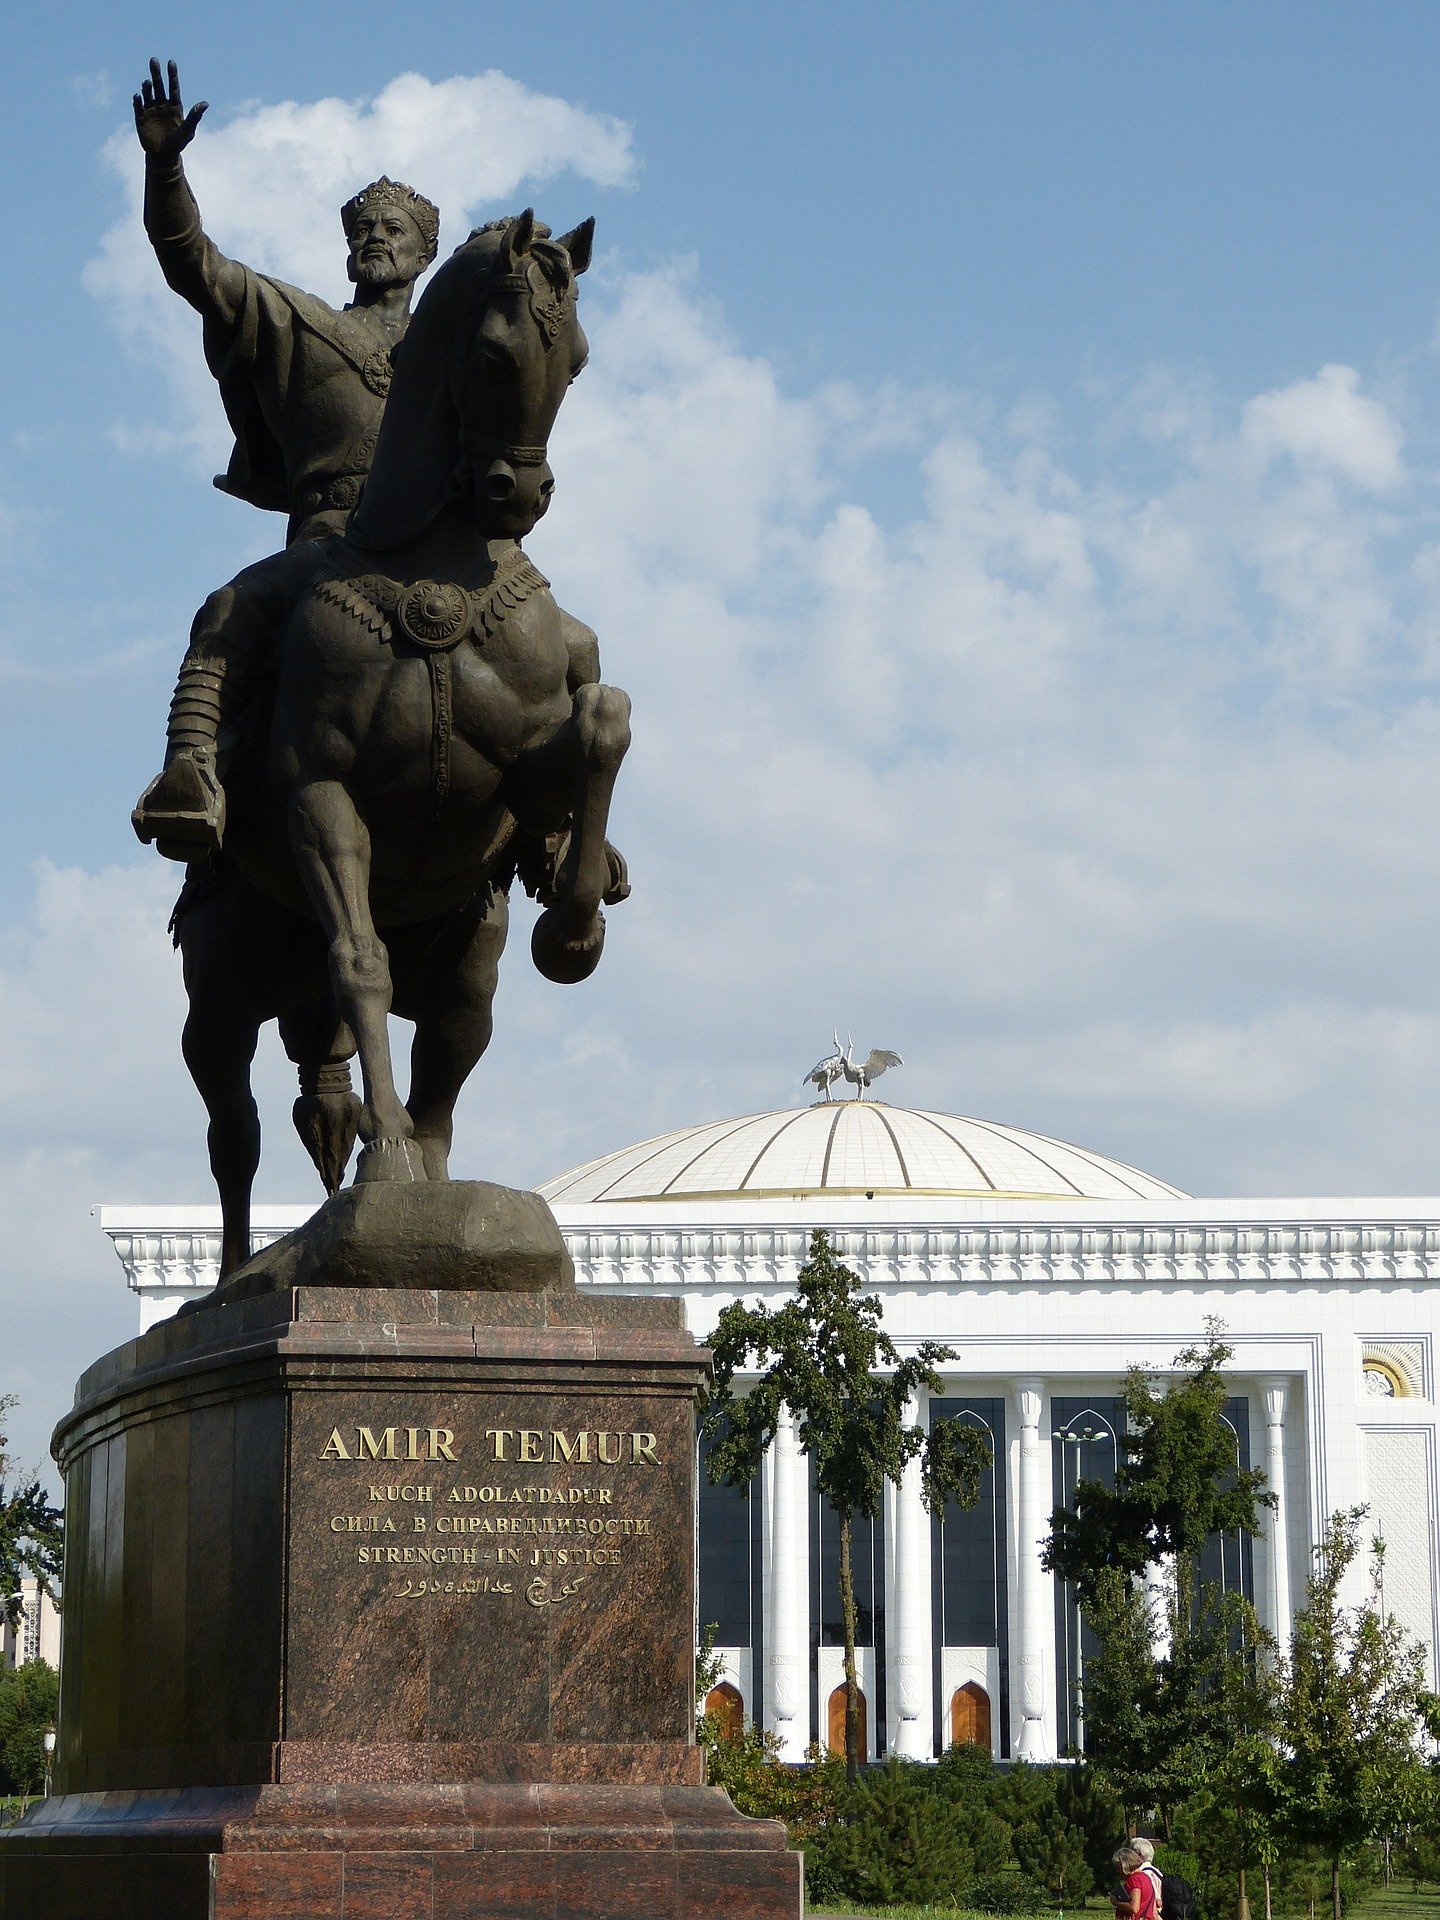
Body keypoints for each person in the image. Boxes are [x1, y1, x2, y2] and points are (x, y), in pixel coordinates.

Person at [127, 59, 441, 860]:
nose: (376, 238)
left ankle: (558, 824)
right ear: (347, 254)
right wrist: (166, 165)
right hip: (330, 539)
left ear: (424, 254)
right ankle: (191, 773)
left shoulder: (453, 351)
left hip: (446, 539)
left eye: (394, 230)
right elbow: (191, 262)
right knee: (227, 612)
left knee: (567, 647)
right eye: (363, 231)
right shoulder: (295, 321)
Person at [1113, 1845, 1158, 1920]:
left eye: (1118, 1867)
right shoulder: (1145, 1877)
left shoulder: (1134, 1880)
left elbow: (1134, 1908)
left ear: (1124, 1865)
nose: (1117, 1871)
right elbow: (1153, 1910)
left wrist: (1115, 1902)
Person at [1133, 1837, 1165, 1915]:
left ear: (1139, 1855)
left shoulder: (1145, 1874)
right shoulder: (1156, 1871)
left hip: (1152, 1914)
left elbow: (1157, 1901)